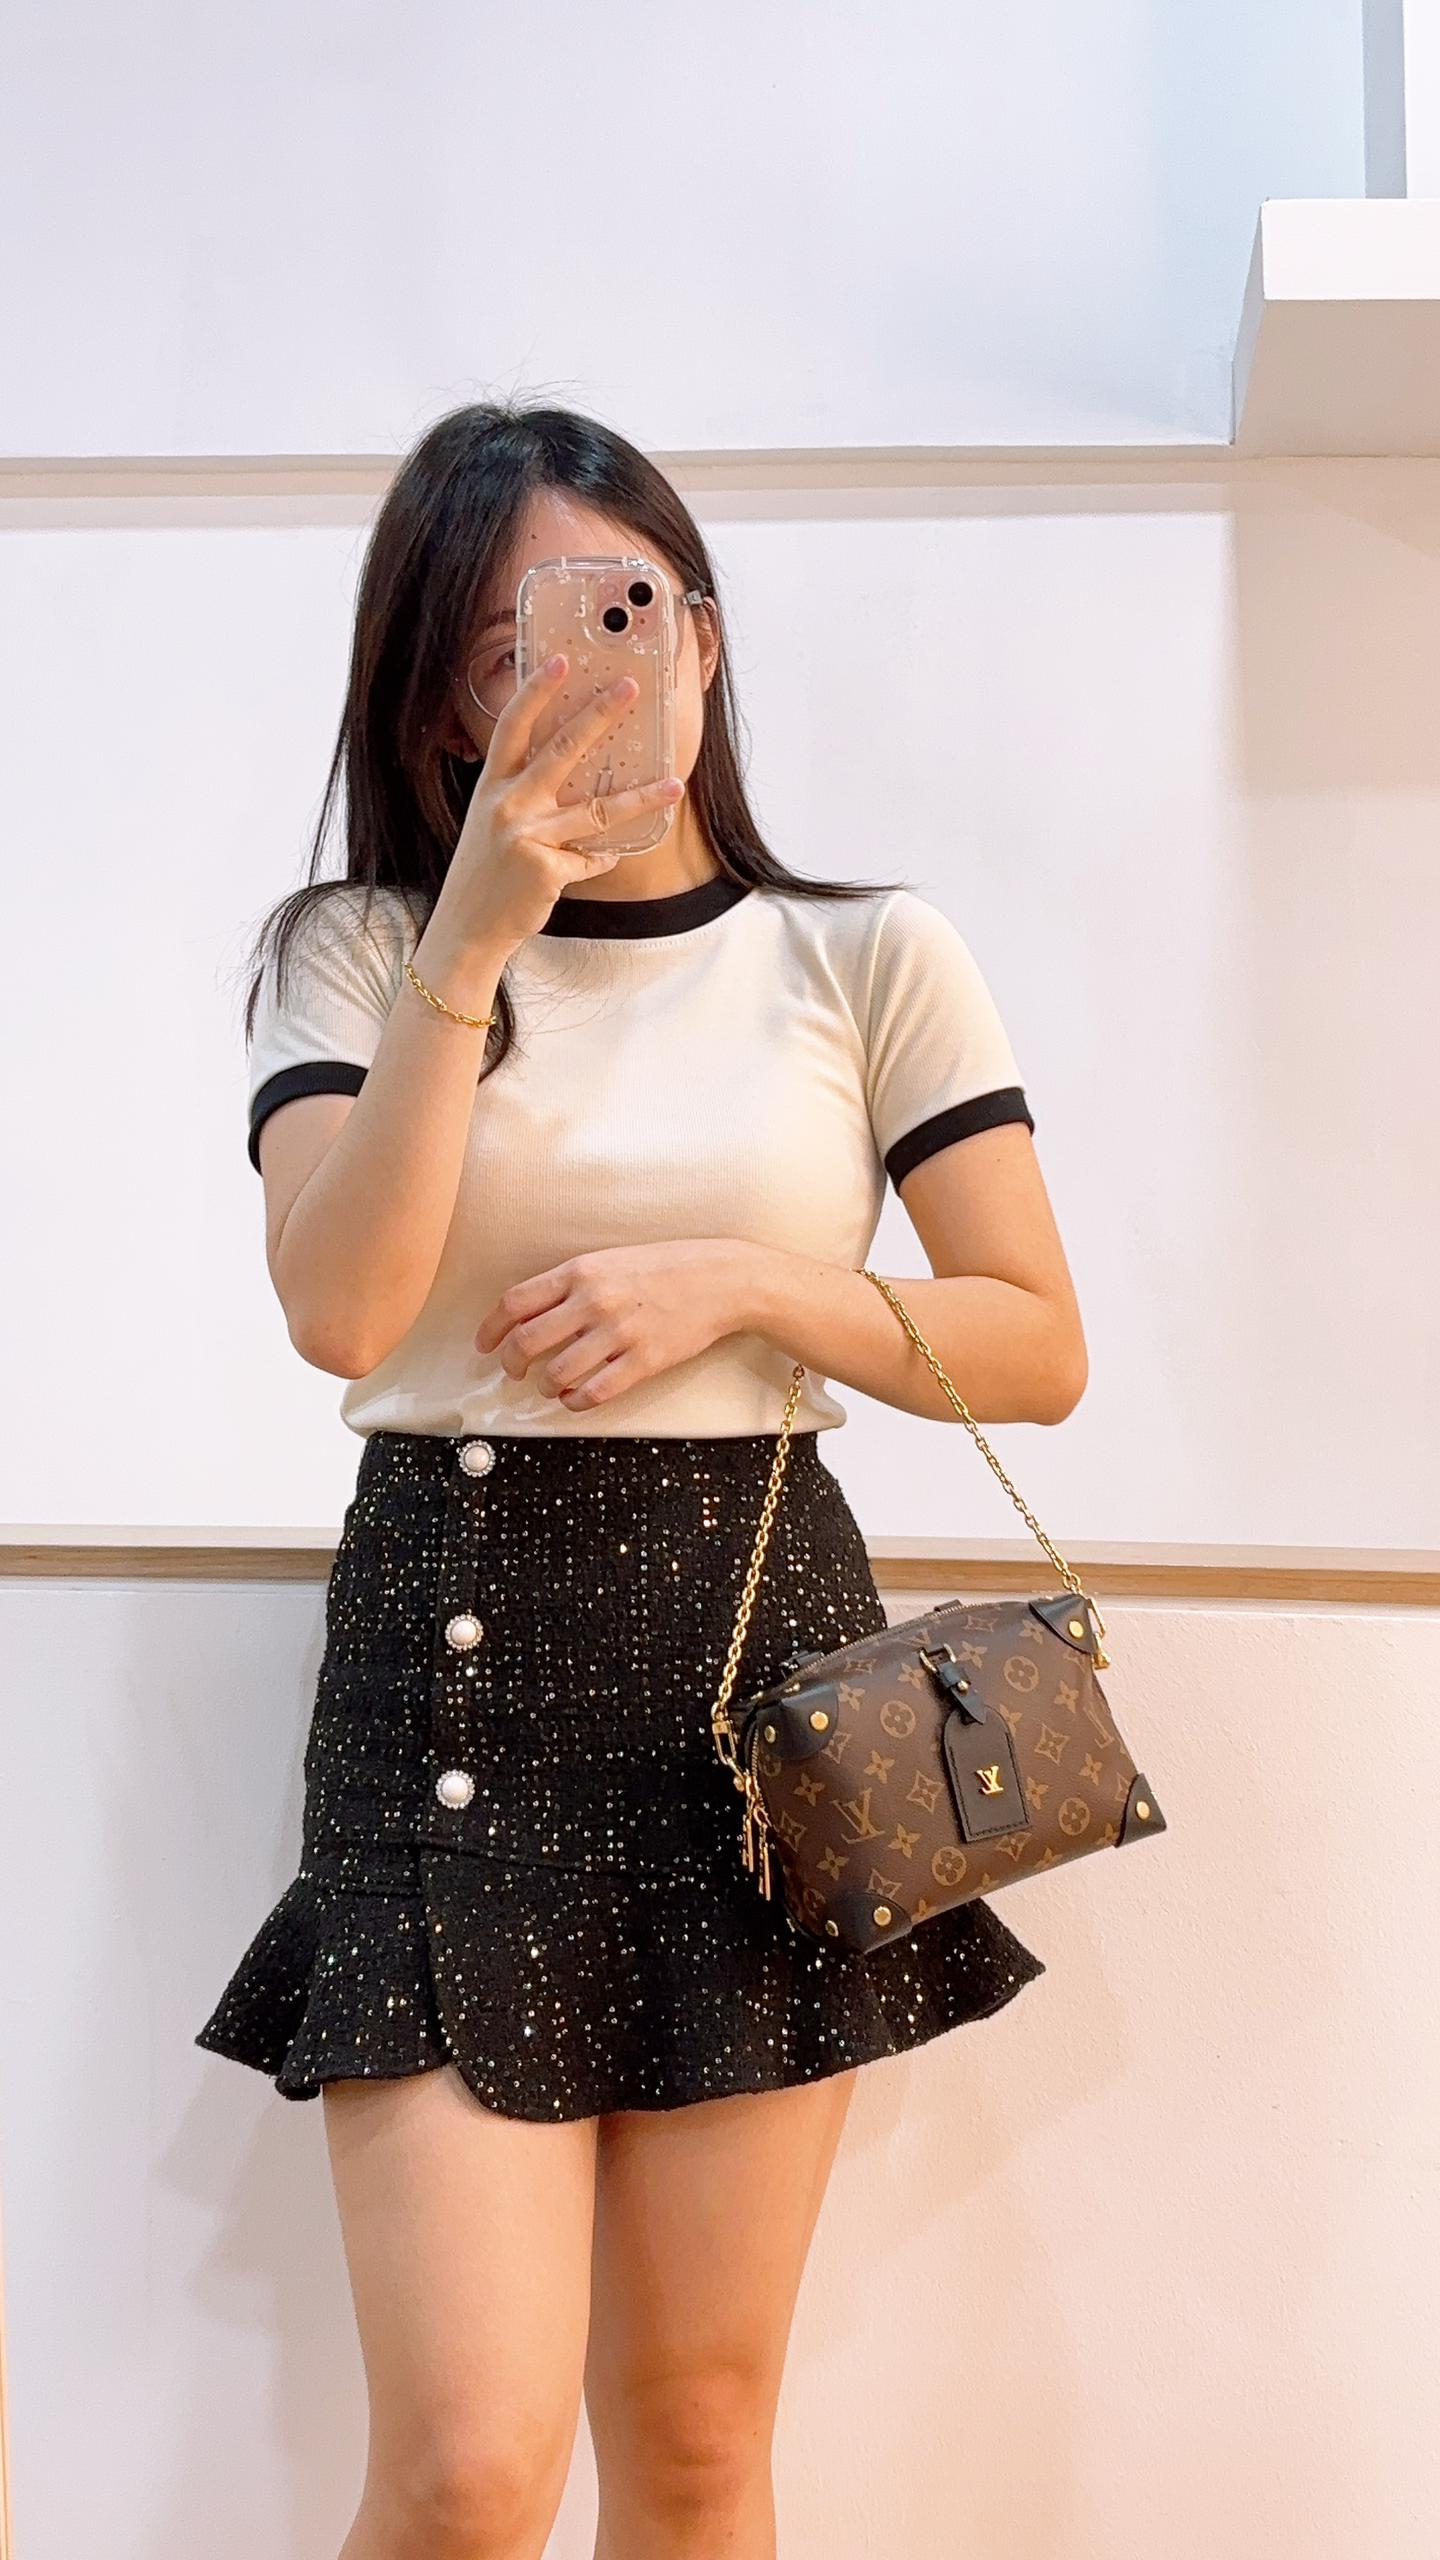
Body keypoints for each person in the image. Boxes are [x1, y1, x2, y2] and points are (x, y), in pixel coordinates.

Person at [196, 398, 1088, 2560]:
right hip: (449, 1687)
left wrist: (753, 1282)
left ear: (702, 632)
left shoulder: (865, 953)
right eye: (520, 638)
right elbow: (341, 1307)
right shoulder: (358, 951)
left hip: (752, 1694)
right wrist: (474, 940)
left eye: (634, 607)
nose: (598, 668)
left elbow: (1036, 1342)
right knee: (468, 2469)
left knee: (694, 2438)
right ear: (444, 695)